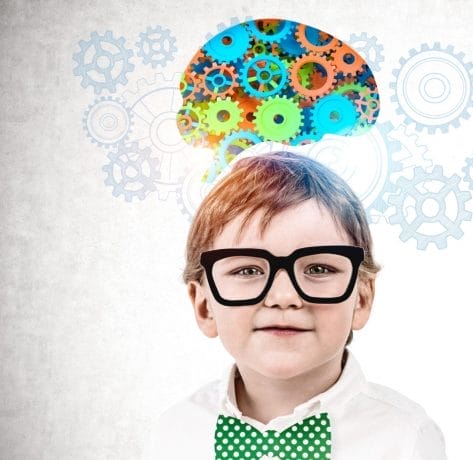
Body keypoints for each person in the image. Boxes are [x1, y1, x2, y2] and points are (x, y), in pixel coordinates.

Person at [143, 151, 446, 459]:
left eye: (318, 269)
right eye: (248, 270)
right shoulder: (175, 432)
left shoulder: (407, 438)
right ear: (204, 306)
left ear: (362, 299)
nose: (284, 296)